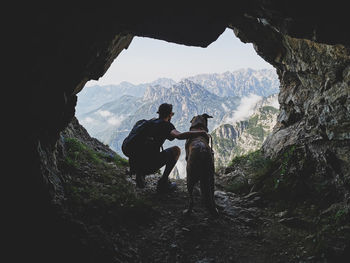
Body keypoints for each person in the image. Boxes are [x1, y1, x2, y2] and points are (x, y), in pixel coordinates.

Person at [130, 103, 208, 193]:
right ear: (170, 115)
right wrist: (201, 132)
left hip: (135, 163)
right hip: (149, 165)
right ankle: (163, 183)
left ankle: (140, 174)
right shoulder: (166, 125)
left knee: (146, 152)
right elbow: (179, 135)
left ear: (159, 113)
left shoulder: (149, 122)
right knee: (176, 150)